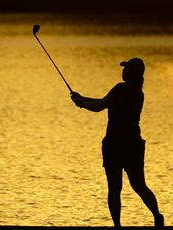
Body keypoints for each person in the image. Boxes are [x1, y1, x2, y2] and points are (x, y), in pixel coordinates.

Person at [71, 57, 165, 228]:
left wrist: (82, 103)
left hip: (114, 144)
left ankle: (117, 226)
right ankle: (157, 216)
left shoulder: (120, 89)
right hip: (133, 144)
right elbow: (103, 102)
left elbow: (100, 106)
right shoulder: (138, 93)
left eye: (125, 69)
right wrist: (81, 98)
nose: (122, 71)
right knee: (139, 186)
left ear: (128, 73)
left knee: (114, 189)